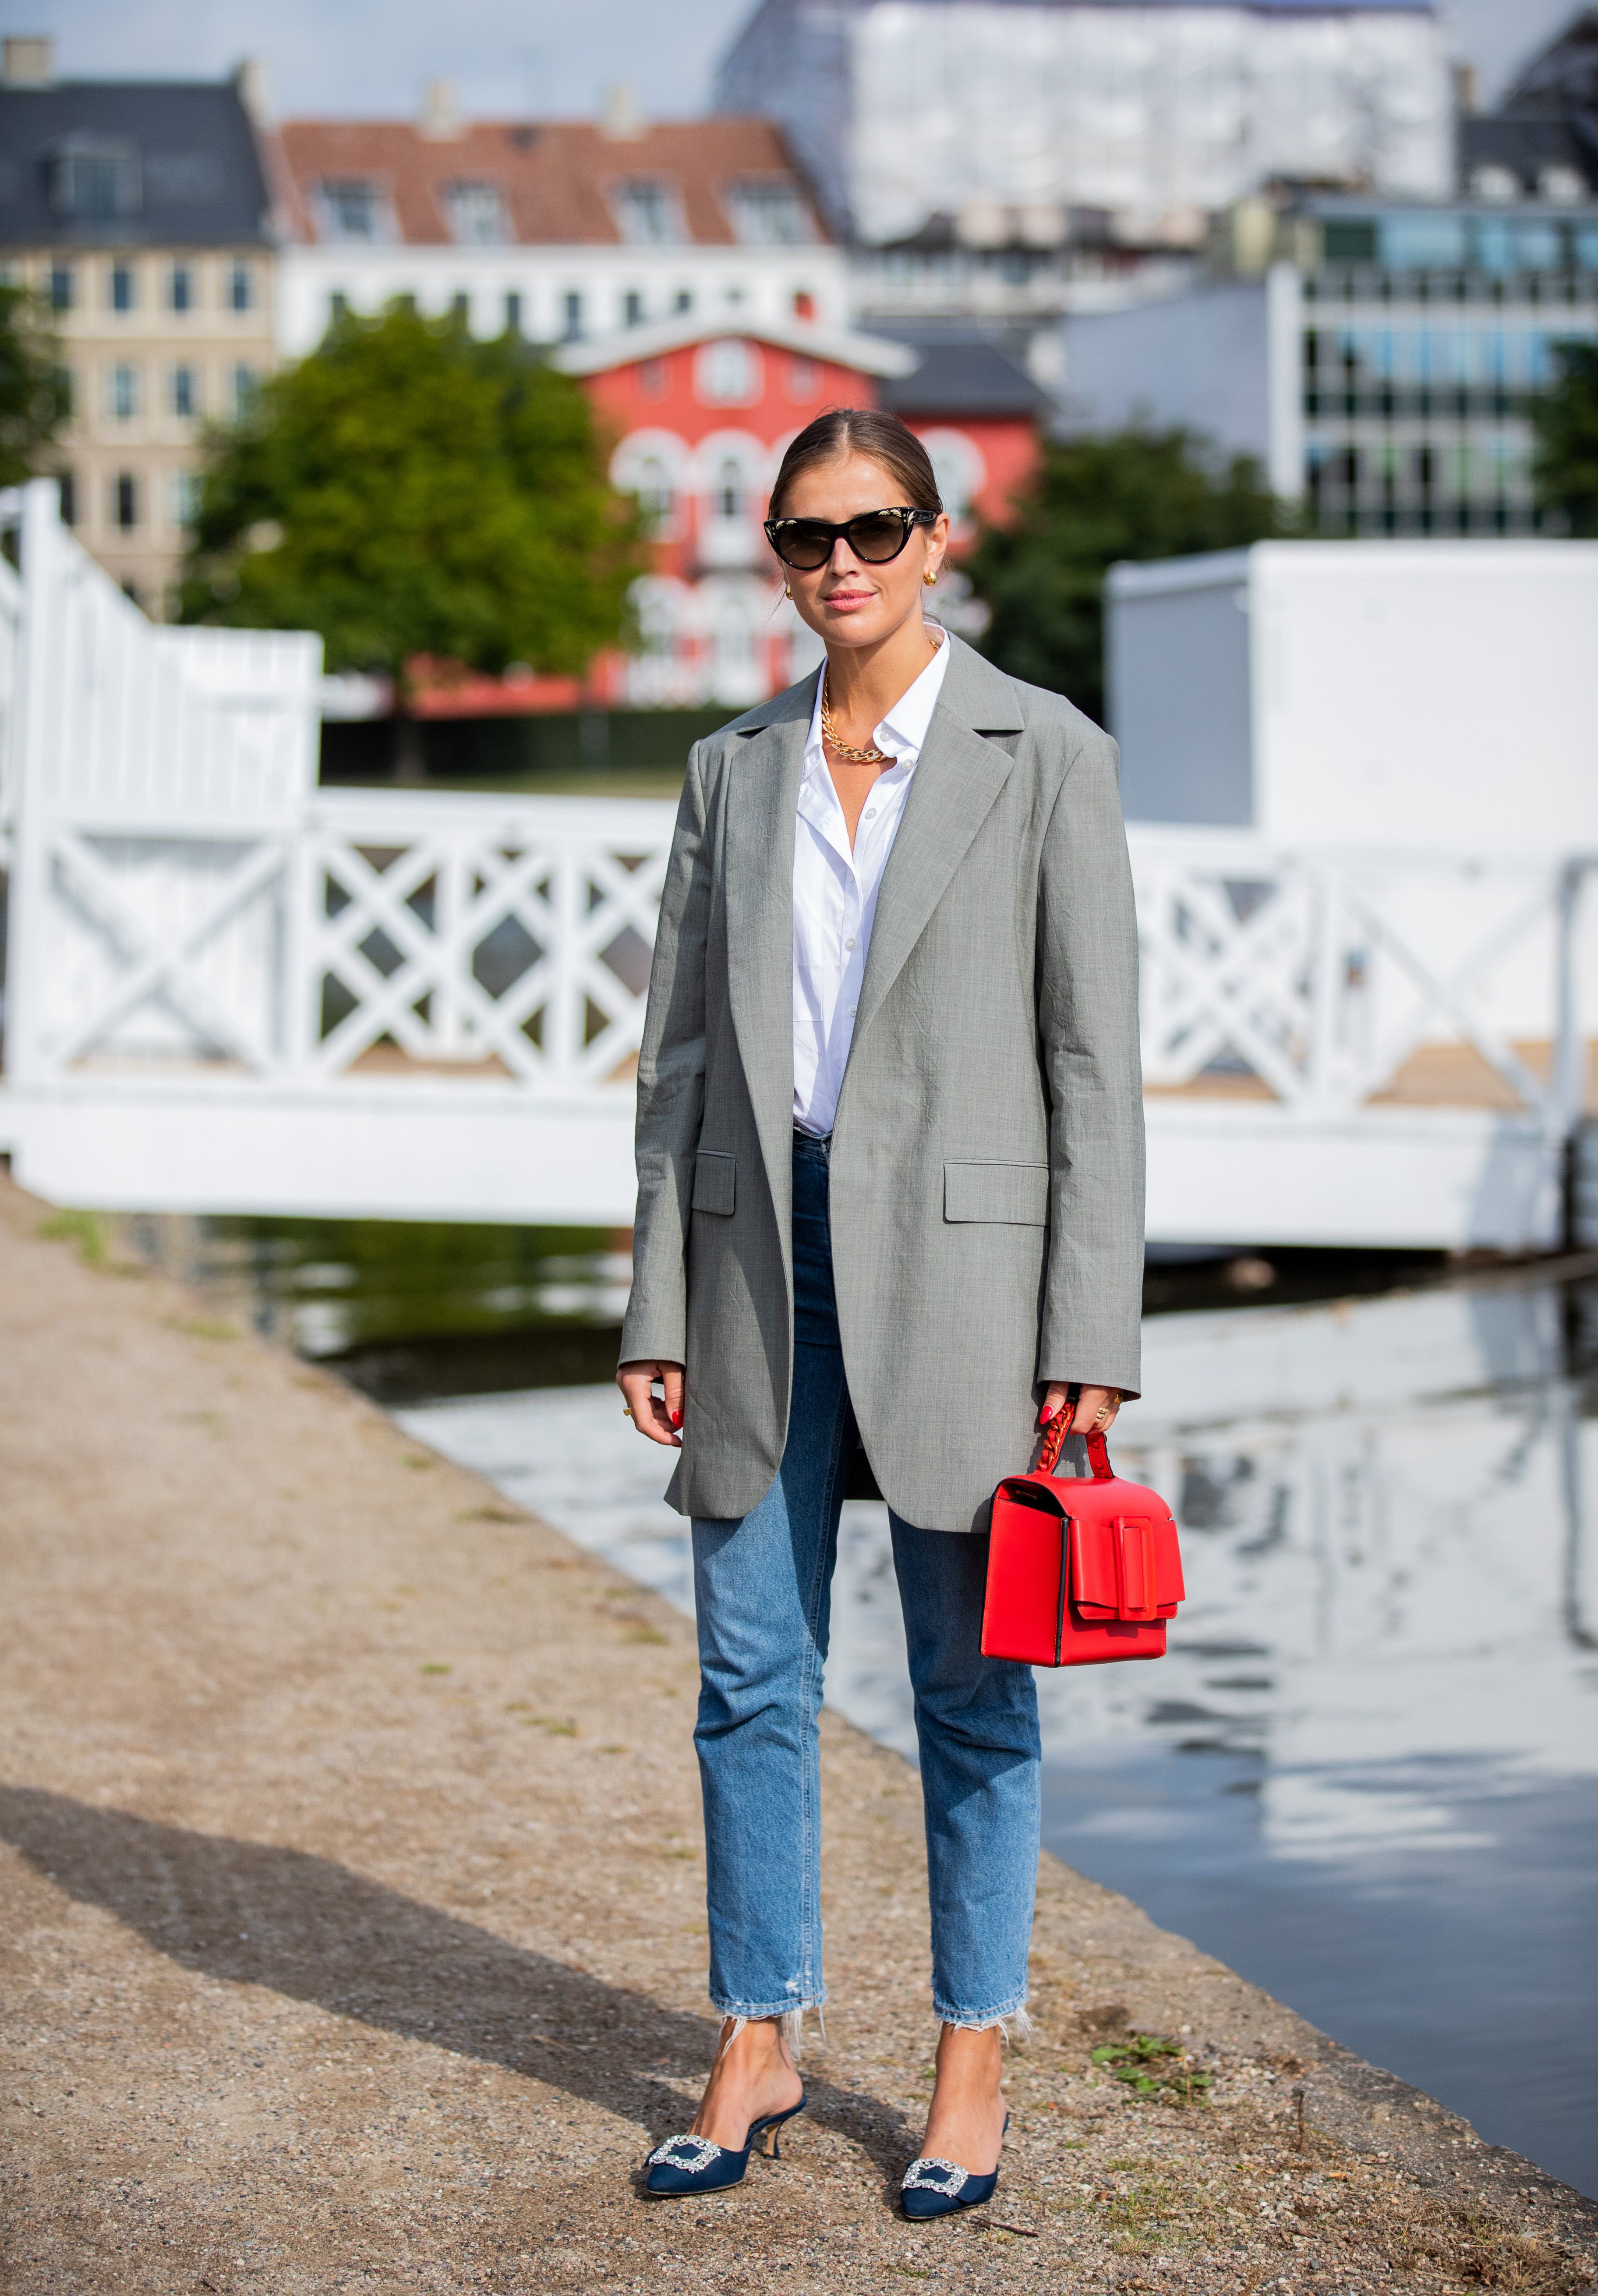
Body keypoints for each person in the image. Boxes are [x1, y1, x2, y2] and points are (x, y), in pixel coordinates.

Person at [617, 407, 1144, 2218]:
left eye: (876, 526)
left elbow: (1095, 1062)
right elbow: (679, 1059)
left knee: (968, 1689)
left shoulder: (1045, 752)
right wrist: (656, 1296)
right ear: (775, 554)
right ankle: (759, 2033)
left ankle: (971, 2052)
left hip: (976, 1284)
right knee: (748, 1675)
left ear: (938, 542)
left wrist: (1093, 1326)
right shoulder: (732, 766)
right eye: (806, 533)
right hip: (762, 1256)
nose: (839, 559)